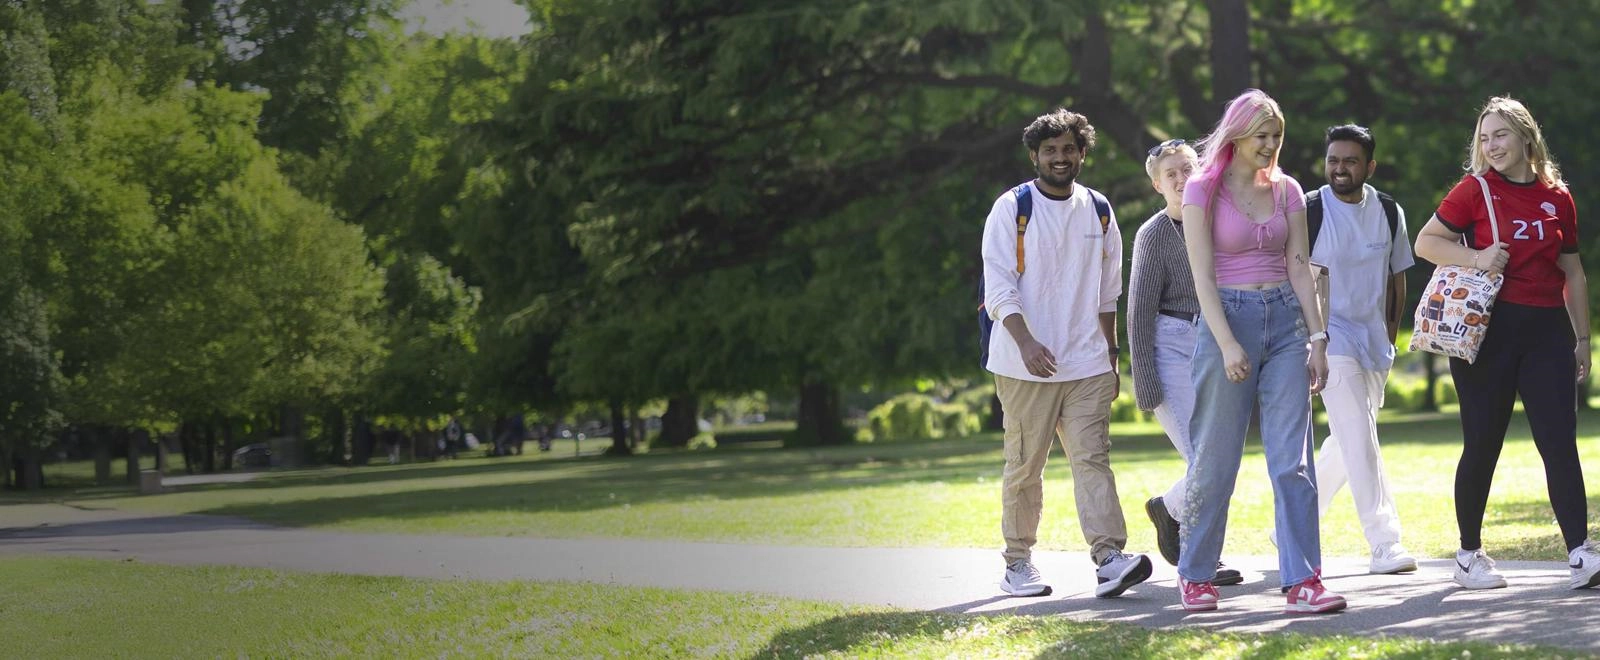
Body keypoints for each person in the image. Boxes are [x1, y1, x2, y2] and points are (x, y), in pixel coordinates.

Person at [1412, 96, 1600, 590]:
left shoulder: (1557, 197)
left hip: (1547, 333)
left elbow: (1573, 272)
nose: (1491, 146)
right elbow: (1426, 243)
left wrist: (1582, 338)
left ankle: (1580, 552)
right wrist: (1477, 257)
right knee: (1483, 444)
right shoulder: (1474, 191)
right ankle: (1469, 554)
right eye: (1484, 137)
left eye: (1500, 135)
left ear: (1525, 137)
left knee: (1559, 444)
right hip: (1488, 333)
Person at [1176, 89, 1345, 614]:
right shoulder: (1202, 190)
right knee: (1216, 456)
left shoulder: (1288, 189)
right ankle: (1196, 573)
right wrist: (1226, 342)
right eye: (1261, 137)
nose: (1270, 146)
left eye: (1276, 136)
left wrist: (1318, 339)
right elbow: (1201, 274)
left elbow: (1300, 267)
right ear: (1237, 135)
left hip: (1287, 324)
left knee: (1292, 461)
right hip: (1227, 318)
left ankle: (1303, 581)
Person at [981, 108, 1153, 599]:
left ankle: (1109, 558)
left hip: (1086, 364)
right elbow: (999, 287)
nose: (1060, 157)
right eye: (1050, 150)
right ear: (1034, 155)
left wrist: (1111, 355)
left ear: (1082, 153)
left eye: (1069, 149)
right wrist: (1027, 342)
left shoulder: (1098, 208)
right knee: (1024, 465)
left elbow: (1107, 294)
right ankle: (1018, 563)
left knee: (1093, 460)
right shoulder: (1012, 207)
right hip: (1023, 365)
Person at [1302, 125, 1418, 575]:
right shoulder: (1309, 209)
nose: (1340, 168)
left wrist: (1390, 332)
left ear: (1369, 166)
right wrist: (1311, 338)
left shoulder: (1388, 211)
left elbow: (1397, 275)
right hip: (1328, 339)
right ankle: (1384, 541)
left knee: (1351, 436)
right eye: (1333, 160)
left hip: (1374, 340)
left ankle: (1296, 519)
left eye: (1350, 161)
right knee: (1359, 434)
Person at [1128, 138, 1243, 586]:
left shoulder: (1219, 221)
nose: (1180, 179)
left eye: (1187, 169)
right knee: (1205, 458)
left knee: (1222, 457)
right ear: (1157, 183)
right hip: (1169, 344)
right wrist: (1146, 382)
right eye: (1170, 173)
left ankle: (1170, 508)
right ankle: (1201, 560)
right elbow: (1137, 314)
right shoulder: (1153, 235)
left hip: (1214, 343)